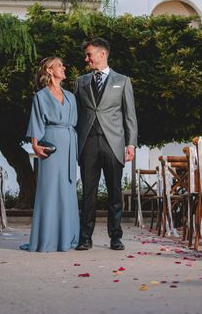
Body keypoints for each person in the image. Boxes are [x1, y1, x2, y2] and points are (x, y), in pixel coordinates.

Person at [74, 37, 138, 250]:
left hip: (114, 143)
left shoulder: (123, 81)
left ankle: (115, 236)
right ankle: (85, 237)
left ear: (102, 54)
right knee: (88, 193)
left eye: (89, 54)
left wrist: (131, 144)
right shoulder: (80, 82)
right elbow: (75, 114)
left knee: (115, 192)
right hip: (88, 143)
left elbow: (130, 116)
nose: (86, 59)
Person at [21, 56, 80, 252]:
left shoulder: (71, 96)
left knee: (67, 190)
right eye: (60, 66)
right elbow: (37, 121)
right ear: (49, 70)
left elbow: (75, 122)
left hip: (70, 143)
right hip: (50, 146)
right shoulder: (40, 96)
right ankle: (46, 239)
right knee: (49, 190)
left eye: (63, 65)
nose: (64, 68)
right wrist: (35, 146)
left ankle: (67, 237)